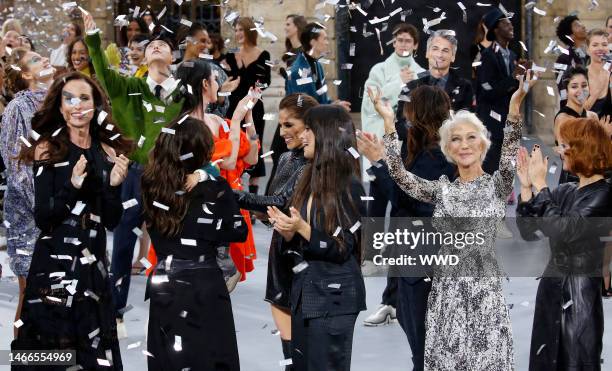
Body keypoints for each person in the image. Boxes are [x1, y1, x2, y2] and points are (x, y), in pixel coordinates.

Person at [375, 65, 538, 369]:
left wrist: (515, 105)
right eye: (457, 139)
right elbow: (398, 174)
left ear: (483, 144)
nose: (464, 145)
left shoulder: (497, 185)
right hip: (446, 295)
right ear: (448, 148)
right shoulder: (440, 191)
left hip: (486, 295)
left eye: (471, 138)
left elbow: (510, 147)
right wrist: (387, 123)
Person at [12, 72, 132, 370]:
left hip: (93, 266)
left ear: (95, 105)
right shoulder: (47, 148)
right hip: (55, 265)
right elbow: (44, 217)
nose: (76, 105)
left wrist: (115, 186)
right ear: (61, 106)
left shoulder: (108, 151)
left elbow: (112, 219)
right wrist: (72, 186)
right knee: (55, 349)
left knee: (92, 352)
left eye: (84, 98)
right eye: (69, 98)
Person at [82, 11, 186, 324]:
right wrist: (92, 40)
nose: (156, 46)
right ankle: (115, 314)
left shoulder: (183, 93)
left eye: (163, 45)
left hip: (169, 177)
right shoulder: (128, 87)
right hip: (135, 174)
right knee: (124, 243)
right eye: (152, 44)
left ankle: (172, 313)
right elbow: (100, 69)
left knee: (172, 245)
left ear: (172, 56)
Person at [358, 85, 456, 370]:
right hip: (410, 252)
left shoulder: (436, 156)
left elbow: (407, 196)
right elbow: (400, 171)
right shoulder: (420, 147)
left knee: (424, 345)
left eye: (409, 110)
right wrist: (387, 124)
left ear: (422, 112)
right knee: (412, 326)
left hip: (425, 256)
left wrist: (377, 162)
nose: (405, 116)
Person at [141, 116, 248, 371]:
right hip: (204, 285)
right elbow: (238, 231)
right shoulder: (215, 187)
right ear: (201, 150)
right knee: (210, 359)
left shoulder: (151, 184)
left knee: (169, 359)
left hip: (164, 283)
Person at [267, 105, 366, 371]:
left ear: (327, 134)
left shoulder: (349, 184)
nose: (303, 136)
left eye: (309, 129)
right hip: (305, 294)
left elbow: (344, 247)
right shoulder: (308, 177)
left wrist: (301, 228)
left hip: (334, 299)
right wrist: (290, 232)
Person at [515, 118, 612, 370]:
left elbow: (565, 229)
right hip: (550, 290)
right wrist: (527, 190)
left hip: (579, 297)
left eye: (565, 145)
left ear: (582, 148)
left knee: (575, 361)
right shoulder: (565, 190)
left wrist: (541, 186)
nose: (559, 151)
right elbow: (529, 232)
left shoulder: (604, 194)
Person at [234, 93, 318, 370]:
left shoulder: (316, 163)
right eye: (280, 125)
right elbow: (271, 205)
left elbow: (280, 202)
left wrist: (229, 193)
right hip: (280, 255)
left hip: (306, 260)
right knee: (289, 354)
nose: (282, 132)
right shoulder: (284, 158)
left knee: (307, 352)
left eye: (289, 125)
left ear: (310, 126)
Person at [176, 59, 259, 285]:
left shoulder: (217, 121)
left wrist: (248, 120)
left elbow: (250, 158)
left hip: (225, 214)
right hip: (198, 215)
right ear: (204, 84)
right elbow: (229, 162)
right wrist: (237, 120)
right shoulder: (184, 127)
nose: (218, 84)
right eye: (214, 79)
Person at [0, 47, 54, 338]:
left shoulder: (59, 101)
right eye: (36, 59)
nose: (45, 58)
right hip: (29, 215)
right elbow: (15, 165)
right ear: (25, 74)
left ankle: (57, 355)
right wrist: (45, 204)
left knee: (56, 294)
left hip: (60, 211)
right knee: (30, 293)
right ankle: (24, 357)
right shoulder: (17, 108)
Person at [362, 22, 425, 175]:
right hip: (380, 139)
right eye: (400, 40)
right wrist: (399, 82)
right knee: (378, 190)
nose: (404, 44)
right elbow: (369, 106)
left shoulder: (423, 74)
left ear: (415, 45)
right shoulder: (379, 70)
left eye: (408, 41)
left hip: (410, 143)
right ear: (394, 43)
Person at [224, 17, 271, 196]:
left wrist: (255, 90)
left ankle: (252, 198)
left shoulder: (263, 55)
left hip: (254, 109)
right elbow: (224, 81)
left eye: (241, 30)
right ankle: (234, 191)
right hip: (232, 109)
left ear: (250, 31)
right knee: (233, 145)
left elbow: (266, 81)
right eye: (236, 30)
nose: (238, 34)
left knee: (254, 148)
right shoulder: (229, 56)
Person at [476, 8, 521, 176]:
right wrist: (512, 78)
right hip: (492, 124)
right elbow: (486, 92)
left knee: (506, 169)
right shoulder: (487, 56)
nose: (511, 26)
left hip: (509, 120)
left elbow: (513, 90)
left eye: (511, 24)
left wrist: (524, 80)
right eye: (506, 24)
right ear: (496, 29)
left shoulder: (513, 55)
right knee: (491, 168)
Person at [267, 14, 308, 193]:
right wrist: (282, 72)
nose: (285, 27)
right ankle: (271, 199)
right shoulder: (292, 53)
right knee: (279, 154)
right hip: (289, 109)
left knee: (281, 153)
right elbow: (292, 81)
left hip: (296, 112)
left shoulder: (304, 54)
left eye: (288, 24)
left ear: (298, 27)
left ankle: (271, 200)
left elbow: (303, 84)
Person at [179, 22, 239, 118]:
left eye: (208, 42)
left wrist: (221, 94)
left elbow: (223, 112)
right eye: (202, 41)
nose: (206, 46)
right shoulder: (173, 72)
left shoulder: (216, 71)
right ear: (188, 41)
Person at [286, 23, 351, 111]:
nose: (327, 43)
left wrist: (333, 105)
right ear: (313, 42)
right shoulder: (298, 71)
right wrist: (332, 108)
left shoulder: (317, 64)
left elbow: (319, 99)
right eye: (324, 39)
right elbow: (302, 108)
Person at [553, 66, 599, 185]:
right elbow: (566, 155)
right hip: (572, 183)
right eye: (574, 86)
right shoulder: (563, 119)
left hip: (594, 179)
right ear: (566, 91)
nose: (580, 90)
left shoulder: (593, 116)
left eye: (584, 86)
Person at [555, 15, 589, 107]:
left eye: (581, 23)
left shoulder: (591, 54)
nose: (583, 26)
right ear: (571, 36)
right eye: (577, 26)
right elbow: (562, 89)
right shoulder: (563, 59)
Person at [584, 29, 611, 119]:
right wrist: (597, 90)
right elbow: (578, 111)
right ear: (588, 50)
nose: (600, 48)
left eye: (604, 45)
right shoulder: (581, 76)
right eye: (595, 45)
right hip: (588, 130)